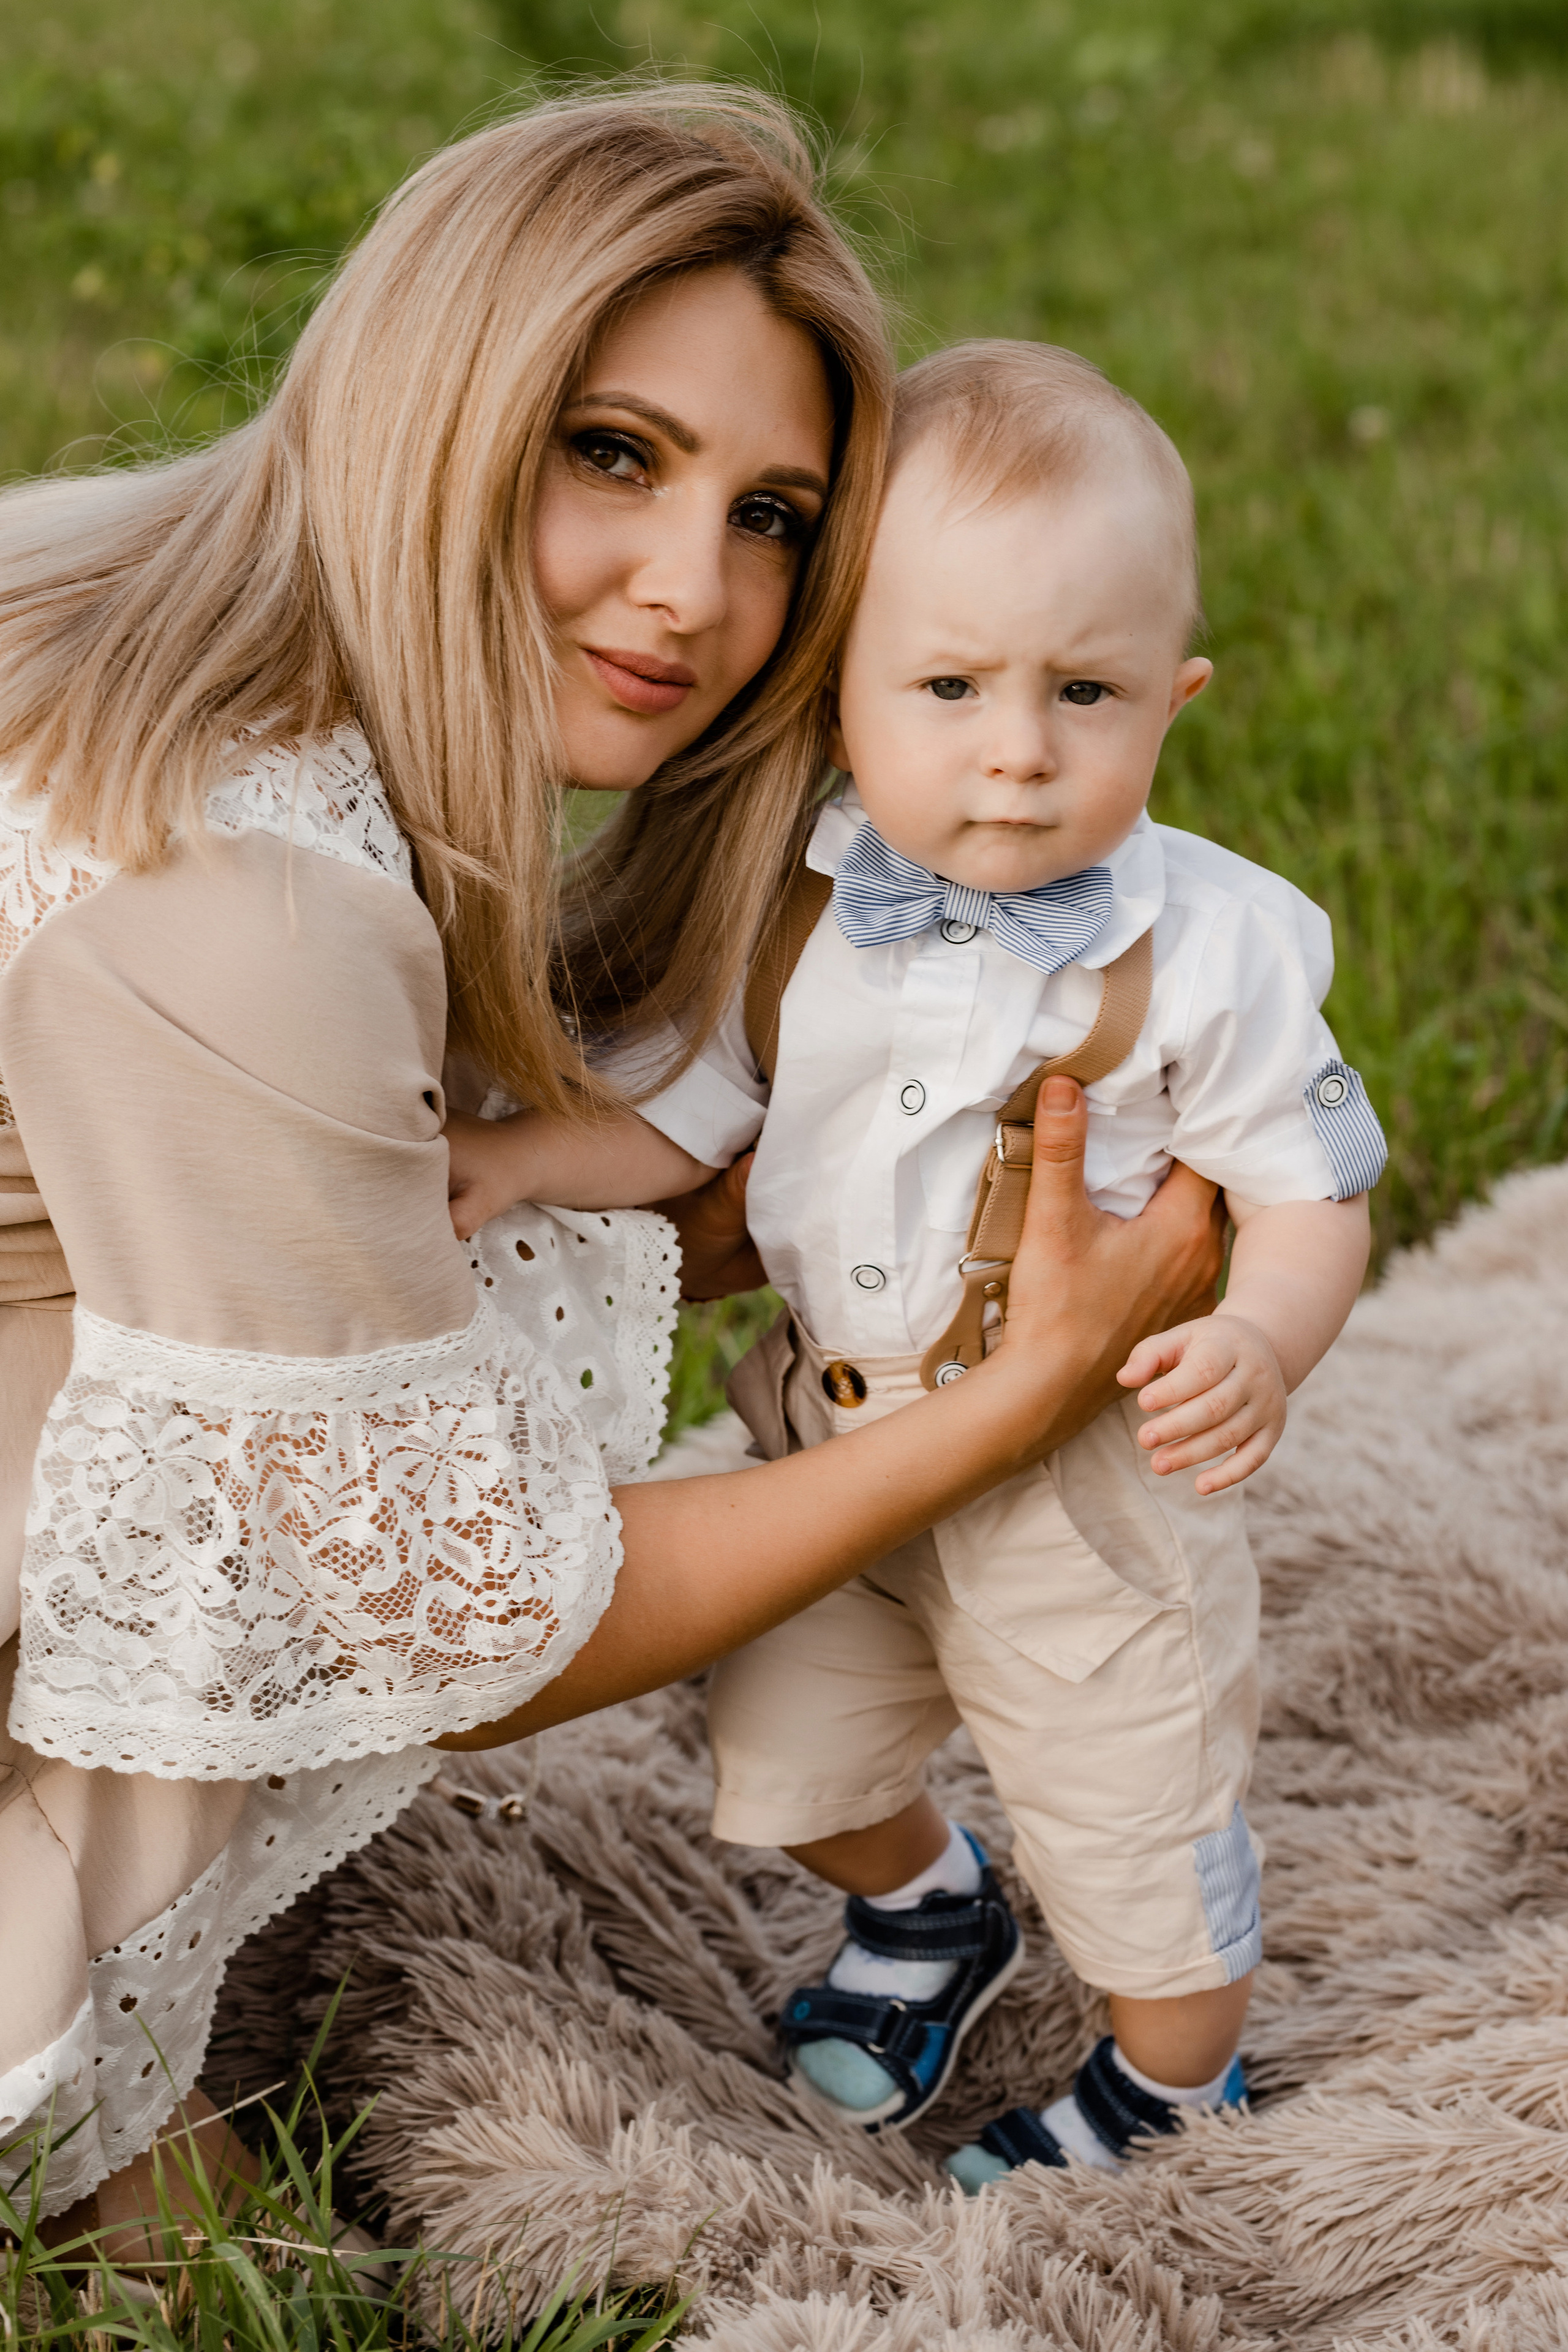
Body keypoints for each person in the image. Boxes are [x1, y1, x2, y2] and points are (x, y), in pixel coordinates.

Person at [0, 97, 1225, 2258]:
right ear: (437, 399)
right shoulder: (235, 895)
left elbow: (388, 1182)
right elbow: (461, 1622)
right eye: (612, 453)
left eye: (774, 516)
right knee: (296, 1556)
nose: (700, 594)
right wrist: (1015, 1402)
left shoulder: (106, 591)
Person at [443, 341, 1385, 2187]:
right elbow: (689, 1119)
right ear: (847, 693)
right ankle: (930, 1912)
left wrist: (1266, 1337)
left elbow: (1310, 1195)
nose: (1018, 750)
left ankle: (1177, 2080)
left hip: (1081, 1487)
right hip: (830, 1445)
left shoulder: (1216, 949)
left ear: (1173, 703)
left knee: (1134, 1821)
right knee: (785, 1744)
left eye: (1085, 692)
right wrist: (515, 1160)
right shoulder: (809, 903)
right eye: (948, 685)